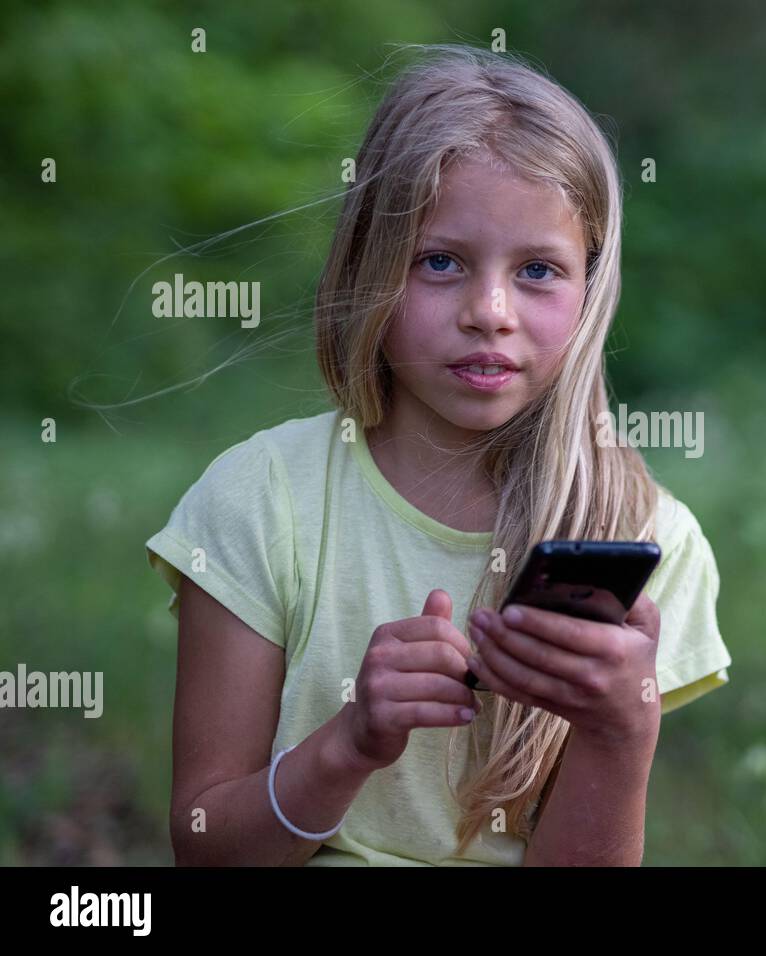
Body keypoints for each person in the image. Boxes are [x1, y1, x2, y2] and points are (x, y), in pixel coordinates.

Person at [145, 44, 731, 866]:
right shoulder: (259, 499)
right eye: (441, 263)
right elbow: (206, 848)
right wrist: (347, 744)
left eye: (538, 270)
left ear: (592, 289)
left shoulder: (645, 540)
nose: (489, 312)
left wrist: (619, 732)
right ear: (369, 269)